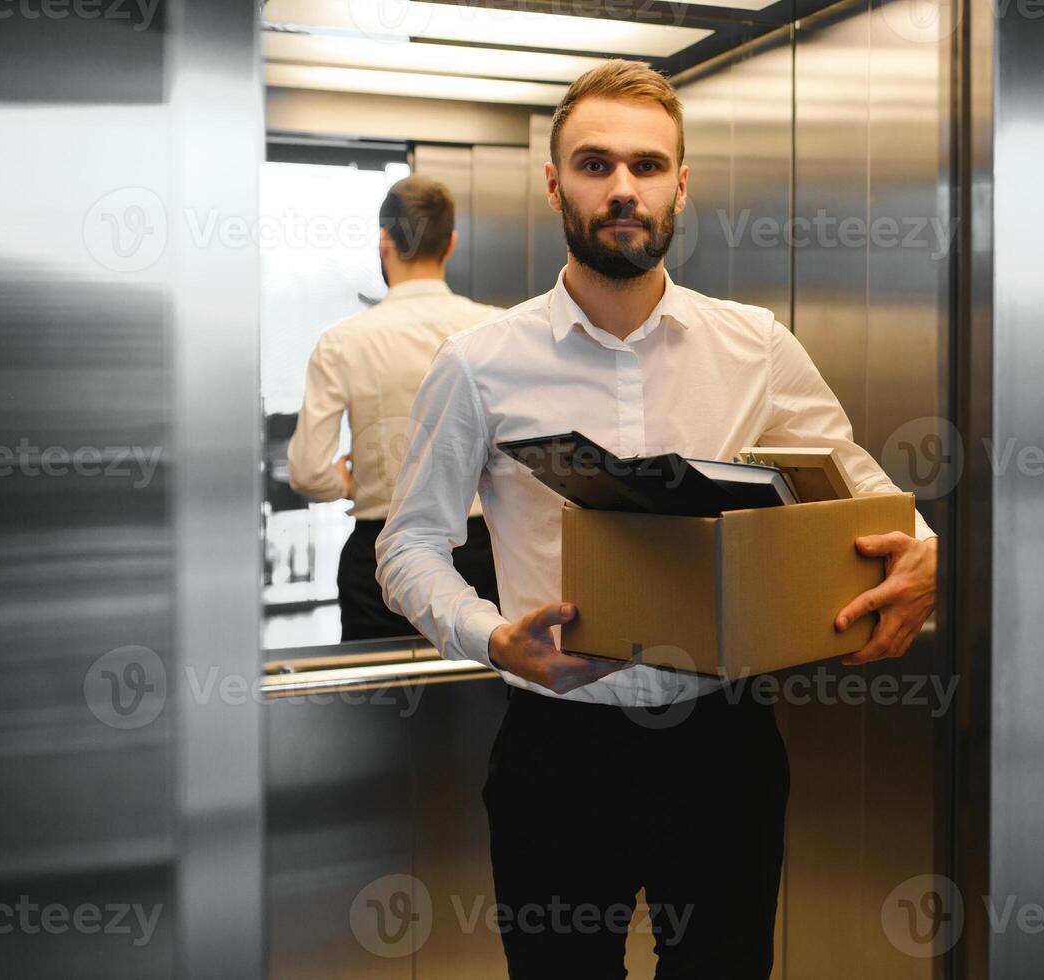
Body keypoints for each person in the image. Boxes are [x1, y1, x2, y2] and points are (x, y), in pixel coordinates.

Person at [375, 61, 938, 978]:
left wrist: (923, 554)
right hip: (558, 749)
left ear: (682, 183)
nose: (622, 188)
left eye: (647, 165)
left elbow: (865, 495)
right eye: (594, 164)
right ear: (555, 184)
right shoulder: (479, 362)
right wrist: (492, 638)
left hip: (723, 744)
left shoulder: (753, 344)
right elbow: (409, 545)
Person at [288, 176, 504, 641]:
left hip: (379, 559)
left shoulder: (342, 341)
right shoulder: (497, 329)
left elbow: (306, 471)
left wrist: (342, 480)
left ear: (385, 242)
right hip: (483, 553)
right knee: (482, 698)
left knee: (382, 703)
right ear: (450, 243)